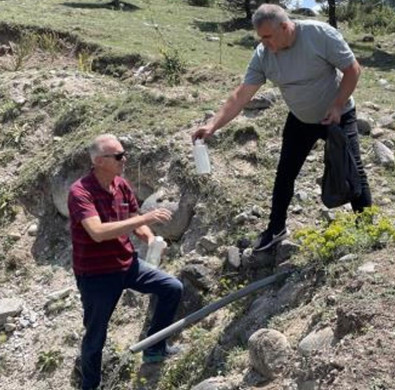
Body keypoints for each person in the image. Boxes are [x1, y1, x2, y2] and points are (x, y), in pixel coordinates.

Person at [191, 4, 372, 251]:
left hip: (338, 114)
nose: (264, 43)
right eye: (260, 37)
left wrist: (338, 105)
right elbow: (241, 95)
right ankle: (275, 229)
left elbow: (353, 69)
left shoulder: (319, 35)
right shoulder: (263, 55)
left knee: (352, 169)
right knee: (285, 174)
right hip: (301, 119)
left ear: (285, 27)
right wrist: (212, 125)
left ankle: (369, 230)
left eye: (267, 36)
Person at [68, 134, 183, 390]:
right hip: (96, 275)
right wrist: (146, 220)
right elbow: (97, 232)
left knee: (172, 288)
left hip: (127, 264)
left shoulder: (121, 185)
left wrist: (151, 239)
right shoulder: (80, 192)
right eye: (118, 156)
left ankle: (155, 348)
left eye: (124, 153)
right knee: (96, 335)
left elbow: (133, 220)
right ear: (99, 161)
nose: (124, 159)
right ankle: (91, 385)